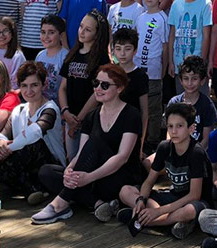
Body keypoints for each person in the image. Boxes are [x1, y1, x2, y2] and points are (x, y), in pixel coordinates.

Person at [33, 64, 145, 224]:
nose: (98, 88)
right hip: (93, 180)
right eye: (96, 83)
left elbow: (122, 157)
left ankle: (61, 204)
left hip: (119, 178)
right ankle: (97, 203)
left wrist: (89, 177)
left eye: (105, 85)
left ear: (119, 88)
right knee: (47, 172)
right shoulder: (91, 116)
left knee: (95, 143)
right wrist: (70, 169)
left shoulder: (131, 114)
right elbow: (81, 153)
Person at [117, 101, 212, 239]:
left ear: (191, 128)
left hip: (194, 202)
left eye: (180, 126)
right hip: (173, 197)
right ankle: (165, 221)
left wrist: (158, 211)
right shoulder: (164, 147)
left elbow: (194, 195)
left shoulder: (196, 153)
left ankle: (144, 221)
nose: (174, 131)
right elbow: (149, 181)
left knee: (189, 211)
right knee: (125, 191)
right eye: (170, 126)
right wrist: (141, 201)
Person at [0, 62, 67, 203]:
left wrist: (7, 149)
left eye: (34, 85)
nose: (29, 91)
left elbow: (34, 133)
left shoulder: (50, 109)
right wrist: (0, 143)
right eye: (24, 86)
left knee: (32, 145)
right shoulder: (19, 110)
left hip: (48, 165)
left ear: (44, 85)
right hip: (23, 165)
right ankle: (31, 189)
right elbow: (1, 135)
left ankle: (26, 187)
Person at [58, 10, 111, 158]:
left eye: (88, 29)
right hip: (70, 117)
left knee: (85, 159)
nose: (82, 32)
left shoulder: (101, 59)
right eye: (81, 26)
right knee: (71, 156)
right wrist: (65, 112)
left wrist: (78, 120)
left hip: (89, 120)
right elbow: (62, 88)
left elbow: (97, 92)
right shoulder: (73, 54)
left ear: (97, 33)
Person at [134, 0, 170, 144]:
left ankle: (152, 141)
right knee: (138, 107)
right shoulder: (141, 17)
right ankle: (138, 140)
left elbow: (165, 46)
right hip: (138, 69)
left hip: (154, 71)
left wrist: (164, 68)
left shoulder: (162, 18)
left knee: (153, 109)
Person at [168, 0, 212, 82]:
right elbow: (172, 35)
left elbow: (206, 36)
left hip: (197, 62)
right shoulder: (175, 4)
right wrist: (170, 61)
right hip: (178, 62)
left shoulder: (206, 4)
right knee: (181, 92)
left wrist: (203, 62)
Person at [111, 27, 151, 148]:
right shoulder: (110, 73)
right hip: (110, 127)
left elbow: (144, 111)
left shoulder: (140, 76)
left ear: (135, 50)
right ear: (113, 50)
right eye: (118, 49)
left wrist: (141, 140)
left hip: (131, 130)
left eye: (127, 49)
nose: (122, 53)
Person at [170, 56, 217, 143]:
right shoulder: (174, 103)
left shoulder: (207, 105)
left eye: (194, 79)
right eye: (186, 78)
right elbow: (169, 133)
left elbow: (206, 138)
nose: (189, 83)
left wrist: (196, 151)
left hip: (199, 149)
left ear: (202, 81)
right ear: (180, 80)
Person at [35, 14, 68, 102]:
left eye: (51, 32)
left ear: (61, 35)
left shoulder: (65, 57)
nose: (46, 36)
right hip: (40, 103)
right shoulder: (40, 55)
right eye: (43, 32)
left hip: (57, 105)